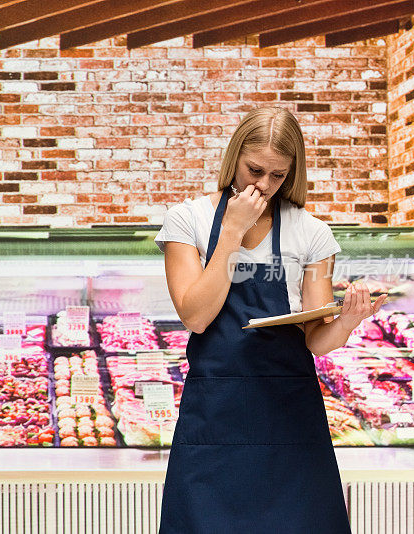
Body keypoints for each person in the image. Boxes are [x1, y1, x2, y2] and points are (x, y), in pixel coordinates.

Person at [155, 107, 386, 533]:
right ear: (233, 158)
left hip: (290, 421)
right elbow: (196, 316)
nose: (263, 184)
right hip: (214, 419)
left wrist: (348, 321)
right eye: (254, 170)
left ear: (292, 174)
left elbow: (316, 340)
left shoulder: (311, 232)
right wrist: (231, 233)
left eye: (277, 176)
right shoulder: (188, 220)